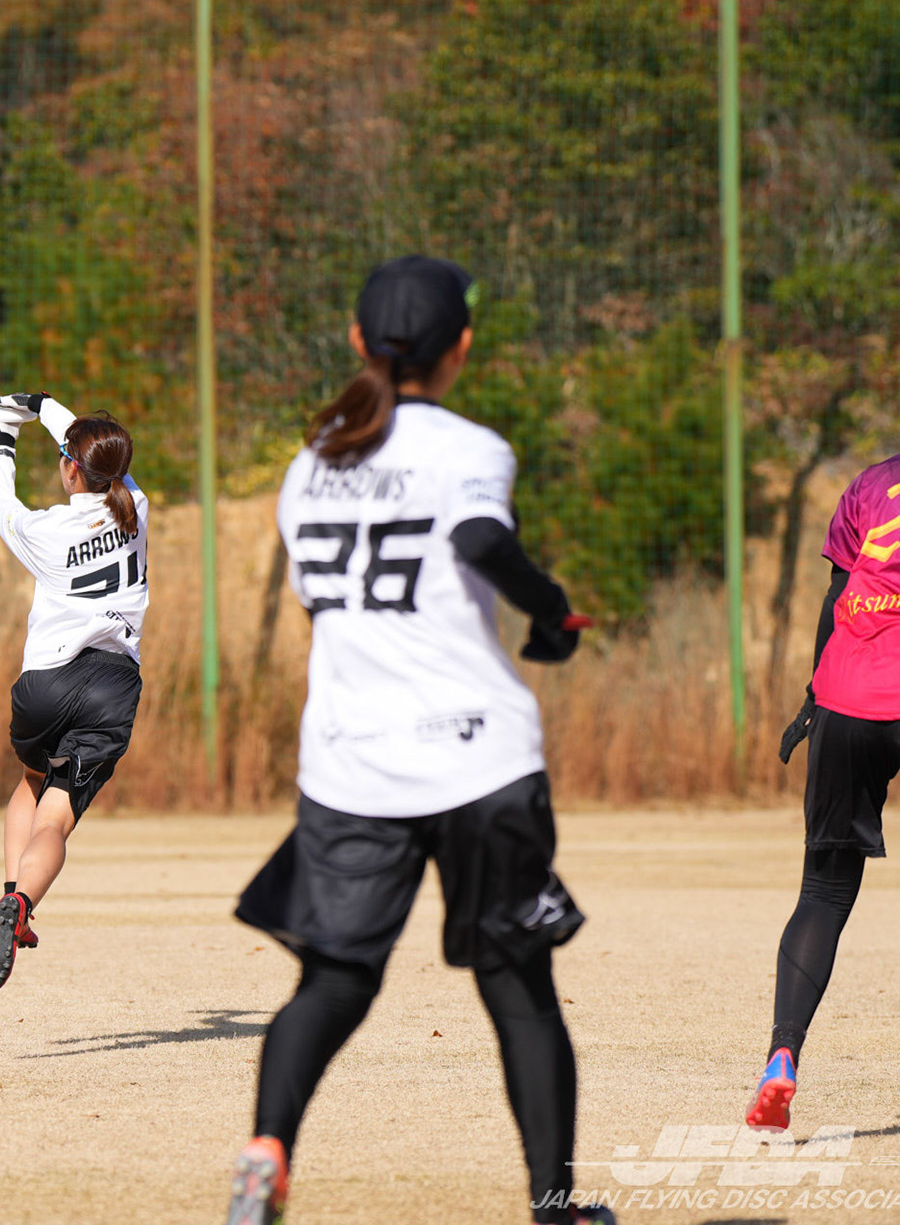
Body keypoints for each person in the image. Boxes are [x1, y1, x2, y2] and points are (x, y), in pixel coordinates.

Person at [224, 256, 611, 1225]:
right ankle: (555, 1204)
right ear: (460, 348)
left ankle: (267, 1147)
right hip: (478, 756)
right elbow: (479, 539)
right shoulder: (471, 447)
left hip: (352, 760)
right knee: (518, 986)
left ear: (359, 340)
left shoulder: (310, 462)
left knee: (333, 981)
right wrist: (551, 609)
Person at [749, 350, 900, 1153]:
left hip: (848, 692)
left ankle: (781, 1059)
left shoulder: (876, 481)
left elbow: (836, 599)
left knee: (823, 888)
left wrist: (812, 700)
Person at [0, 393, 147, 992]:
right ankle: (21, 906)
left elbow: (0, 504)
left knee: (31, 781)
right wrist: (45, 406)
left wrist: (7, 433)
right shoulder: (136, 506)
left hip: (45, 684)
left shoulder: (46, 530)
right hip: (112, 685)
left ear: (70, 468)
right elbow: (97, 454)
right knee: (57, 818)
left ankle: (8, 894)